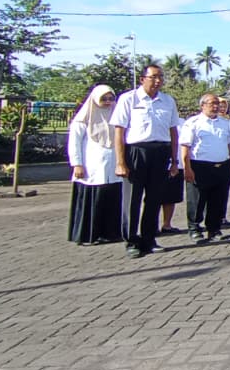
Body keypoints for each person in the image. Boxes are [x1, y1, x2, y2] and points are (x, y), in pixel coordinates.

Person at [111, 65, 180, 258]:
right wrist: (120, 161)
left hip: (160, 152)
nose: (158, 81)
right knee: (132, 199)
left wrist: (174, 161)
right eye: (153, 77)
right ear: (142, 79)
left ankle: (149, 238)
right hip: (136, 152)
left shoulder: (167, 101)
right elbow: (119, 132)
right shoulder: (128, 99)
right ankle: (132, 241)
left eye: (161, 77)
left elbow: (173, 131)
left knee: (154, 198)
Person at [66, 85, 122, 245]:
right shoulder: (82, 119)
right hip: (91, 168)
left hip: (113, 167)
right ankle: (88, 235)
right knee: (92, 200)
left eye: (111, 99)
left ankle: (111, 233)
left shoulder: (116, 117)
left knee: (112, 199)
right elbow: (74, 144)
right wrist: (77, 164)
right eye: (104, 99)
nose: (108, 102)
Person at [181, 93, 230, 243]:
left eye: (217, 103)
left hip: (221, 165)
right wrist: (187, 167)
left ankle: (214, 229)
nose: (216, 106)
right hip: (200, 166)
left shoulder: (225, 123)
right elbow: (185, 146)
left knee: (218, 199)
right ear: (202, 105)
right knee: (197, 200)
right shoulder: (193, 123)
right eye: (212, 103)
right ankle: (194, 229)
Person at [160, 114, 187, 235]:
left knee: (171, 197)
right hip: (158, 164)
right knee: (154, 197)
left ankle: (167, 224)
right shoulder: (159, 121)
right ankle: (151, 226)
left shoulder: (183, 122)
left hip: (178, 164)